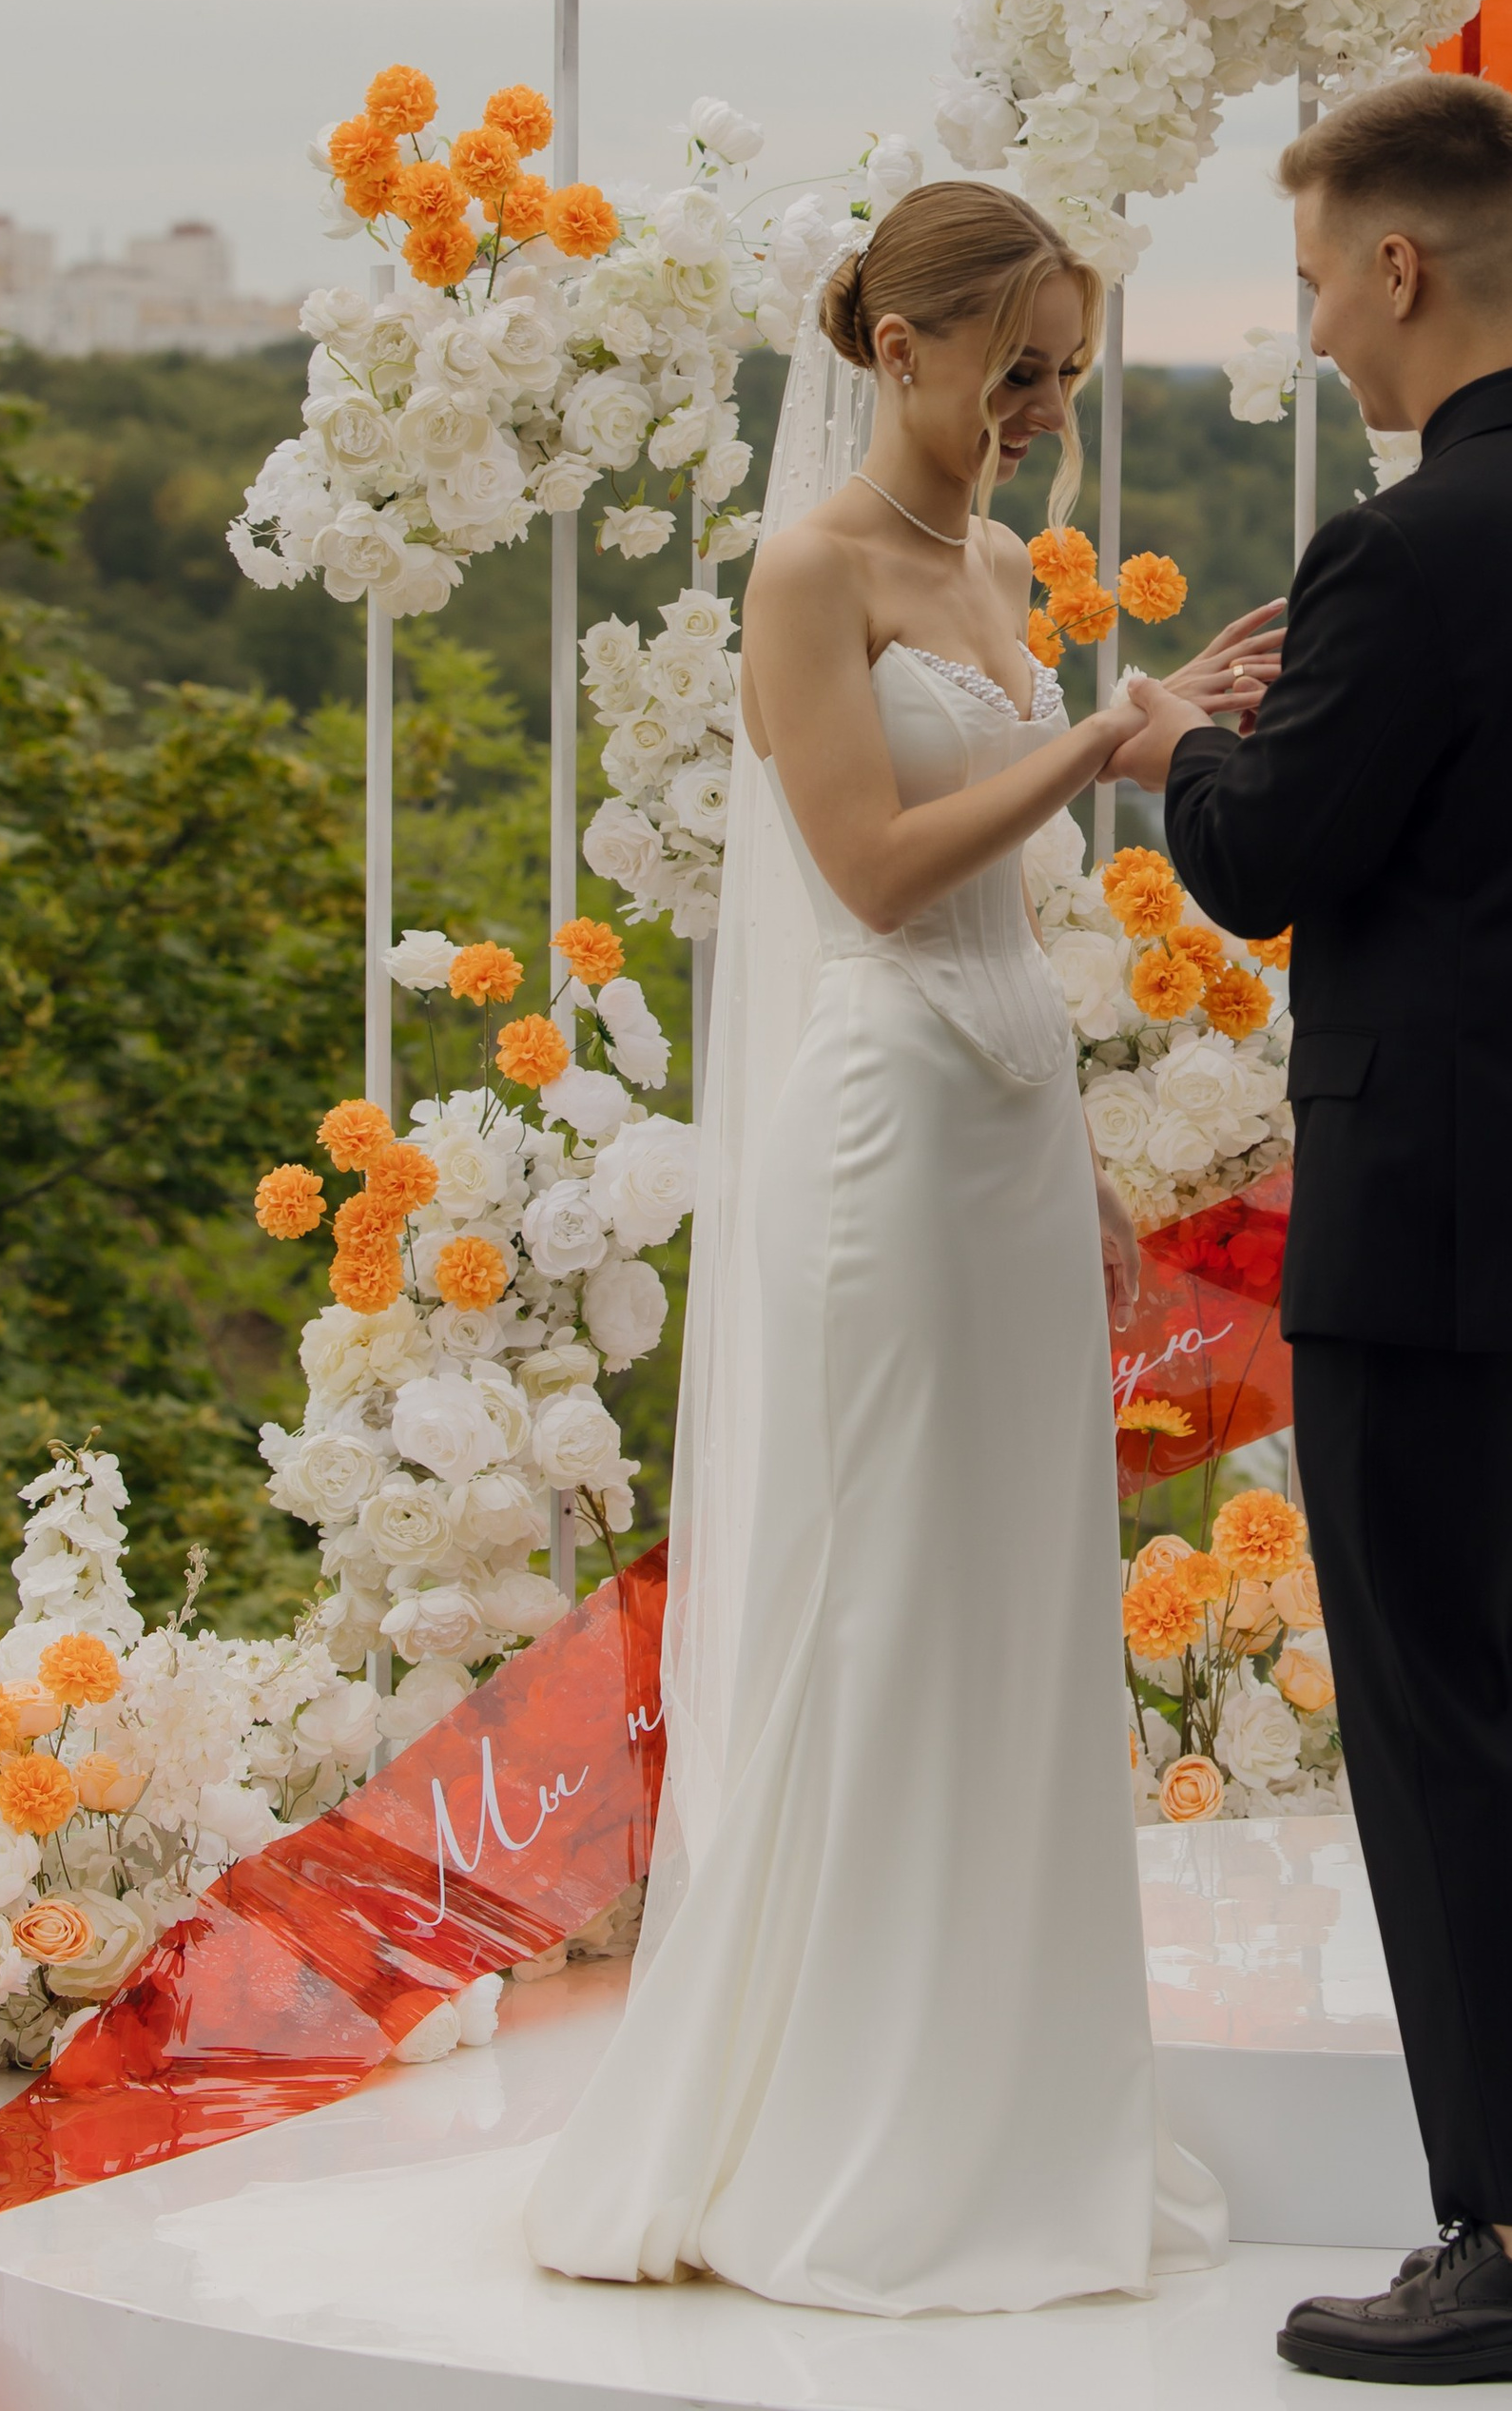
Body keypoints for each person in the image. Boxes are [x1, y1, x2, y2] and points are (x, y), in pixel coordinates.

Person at [524, 181, 1279, 2313]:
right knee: (878, 1603)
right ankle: (838, 2129)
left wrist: (1091, 1143)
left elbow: (996, 903)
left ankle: (996, 2102)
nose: (1043, 405)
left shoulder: (987, 567)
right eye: (1016, 364)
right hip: (875, 1135)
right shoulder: (807, 567)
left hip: (1005, 1124)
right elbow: (863, 869)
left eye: (1065, 368)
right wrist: (1103, 743)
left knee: (1006, 1609)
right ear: (901, 349)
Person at [1108, 74, 1512, 2388]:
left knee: (1439, 1713)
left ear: (1399, 266)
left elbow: (1266, 859)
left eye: (1310, 283)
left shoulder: (1406, 553)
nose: (1309, 332)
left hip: (1430, 1218)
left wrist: (1170, 748)